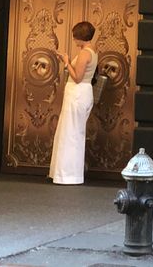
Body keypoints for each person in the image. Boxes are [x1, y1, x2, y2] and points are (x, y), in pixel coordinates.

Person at [48, 21, 97, 185]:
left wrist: (67, 62)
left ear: (81, 36)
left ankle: (67, 175)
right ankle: (67, 174)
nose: (74, 39)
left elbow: (77, 78)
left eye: (75, 36)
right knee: (73, 133)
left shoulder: (84, 53)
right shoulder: (92, 51)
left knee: (71, 134)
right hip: (82, 93)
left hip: (78, 93)